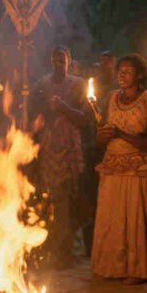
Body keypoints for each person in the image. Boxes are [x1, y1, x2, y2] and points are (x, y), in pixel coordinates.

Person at [92, 54, 147, 284]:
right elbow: (100, 140)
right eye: (120, 70)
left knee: (134, 218)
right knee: (112, 219)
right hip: (112, 165)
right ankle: (112, 267)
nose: (121, 74)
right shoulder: (110, 98)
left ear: (140, 75)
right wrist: (102, 136)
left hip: (137, 168)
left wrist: (121, 134)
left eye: (128, 70)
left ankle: (137, 270)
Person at [30, 46, 90, 268]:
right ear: (50, 62)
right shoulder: (42, 85)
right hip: (48, 146)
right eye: (54, 60)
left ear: (69, 61)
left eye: (62, 60)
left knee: (69, 197)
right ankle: (50, 249)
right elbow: (36, 117)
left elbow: (85, 118)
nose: (58, 64)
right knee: (50, 198)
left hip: (70, 146)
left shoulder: (78, 85)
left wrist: (64, 107)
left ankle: (66, 250)